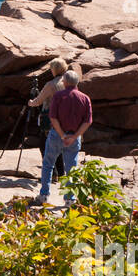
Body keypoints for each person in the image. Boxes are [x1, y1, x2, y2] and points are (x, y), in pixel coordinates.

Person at [35, 70, 92, 208]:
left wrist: (62, 135)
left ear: (65, 82)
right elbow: (88, 121)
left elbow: (53, 117)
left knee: (48, 164)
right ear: (77, 82)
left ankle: (44, 195)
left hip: (56, 135)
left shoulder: (58, 96)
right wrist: (75, 136)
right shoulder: (85, 98)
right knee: (71, 168)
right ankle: (69, 199)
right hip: (74, 137)